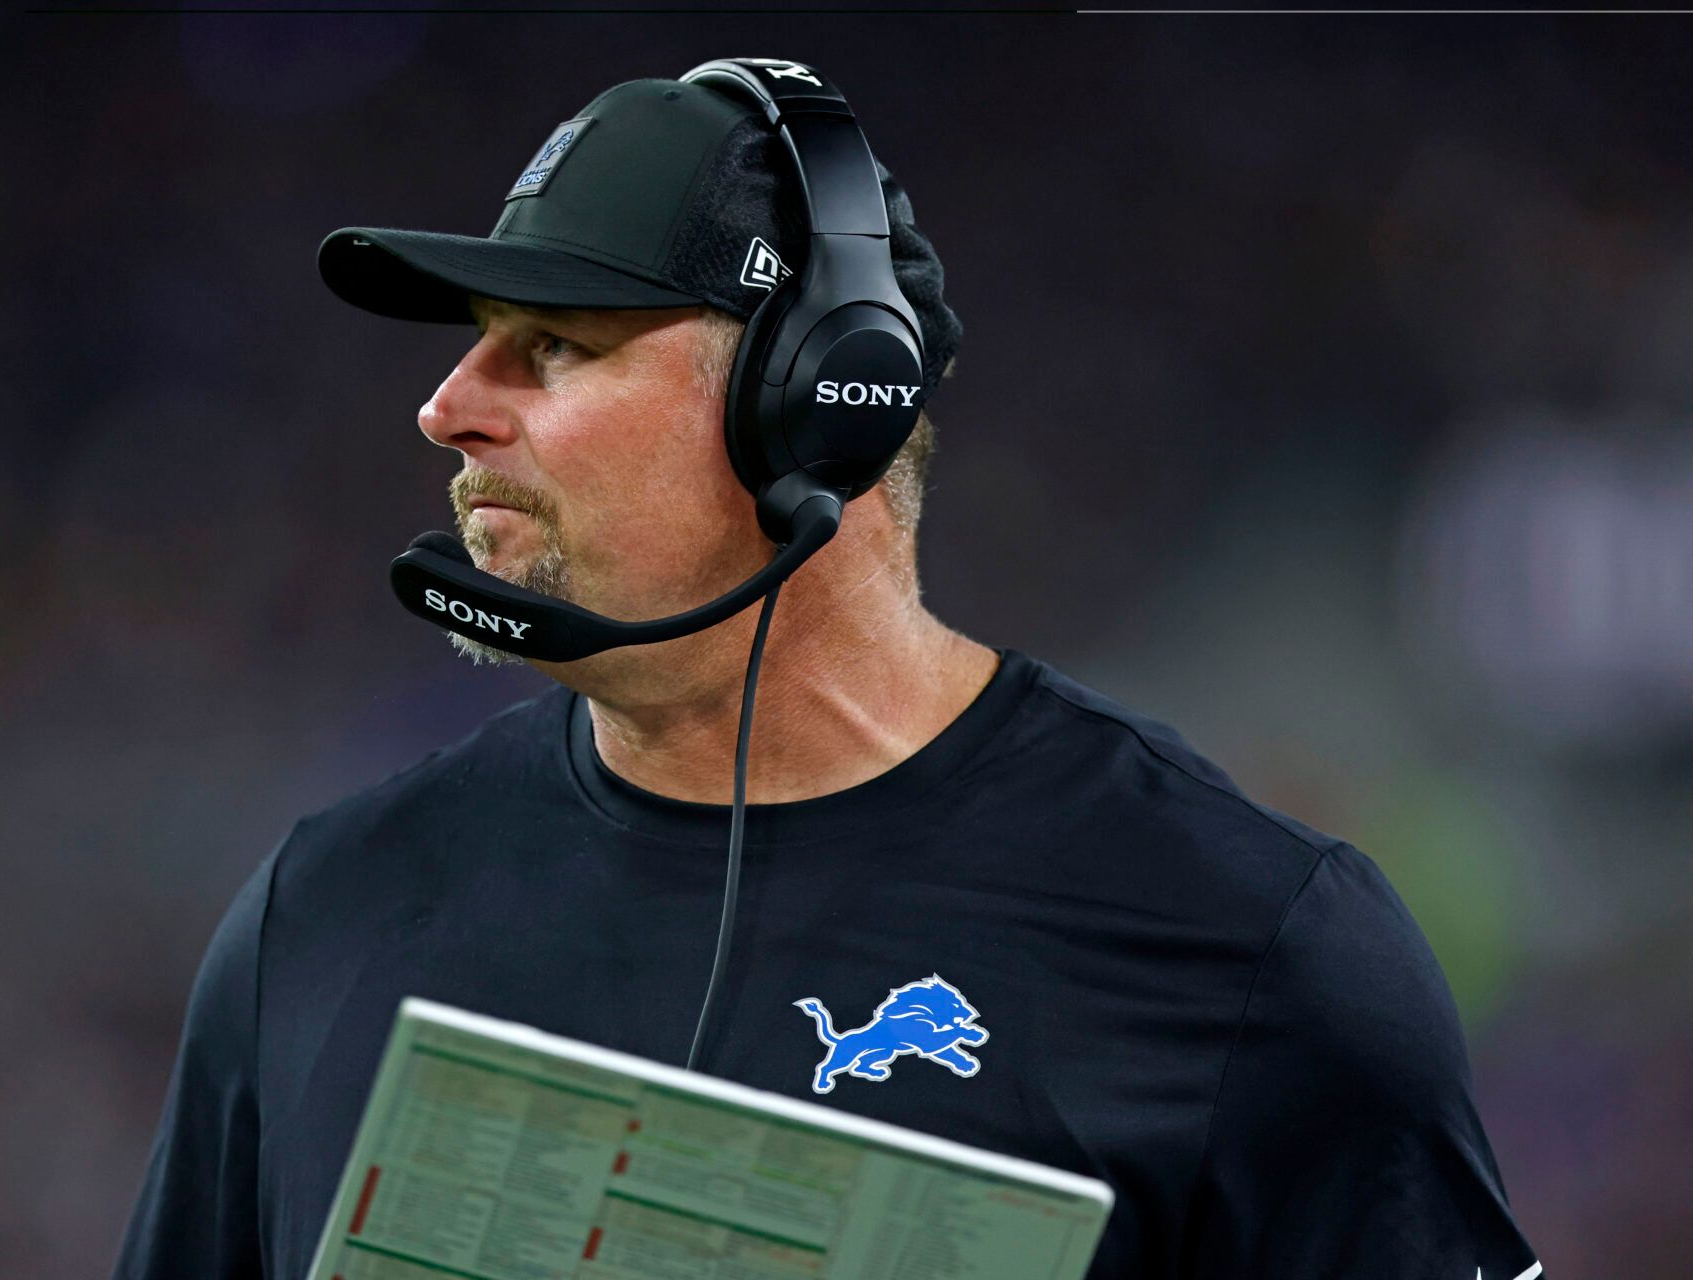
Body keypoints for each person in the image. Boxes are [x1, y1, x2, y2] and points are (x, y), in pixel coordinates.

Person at [112, 62, 1543, 1280]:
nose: (447, 408)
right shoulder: (329, 910)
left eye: (554, 344)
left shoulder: (1253, 951)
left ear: (814, 400)